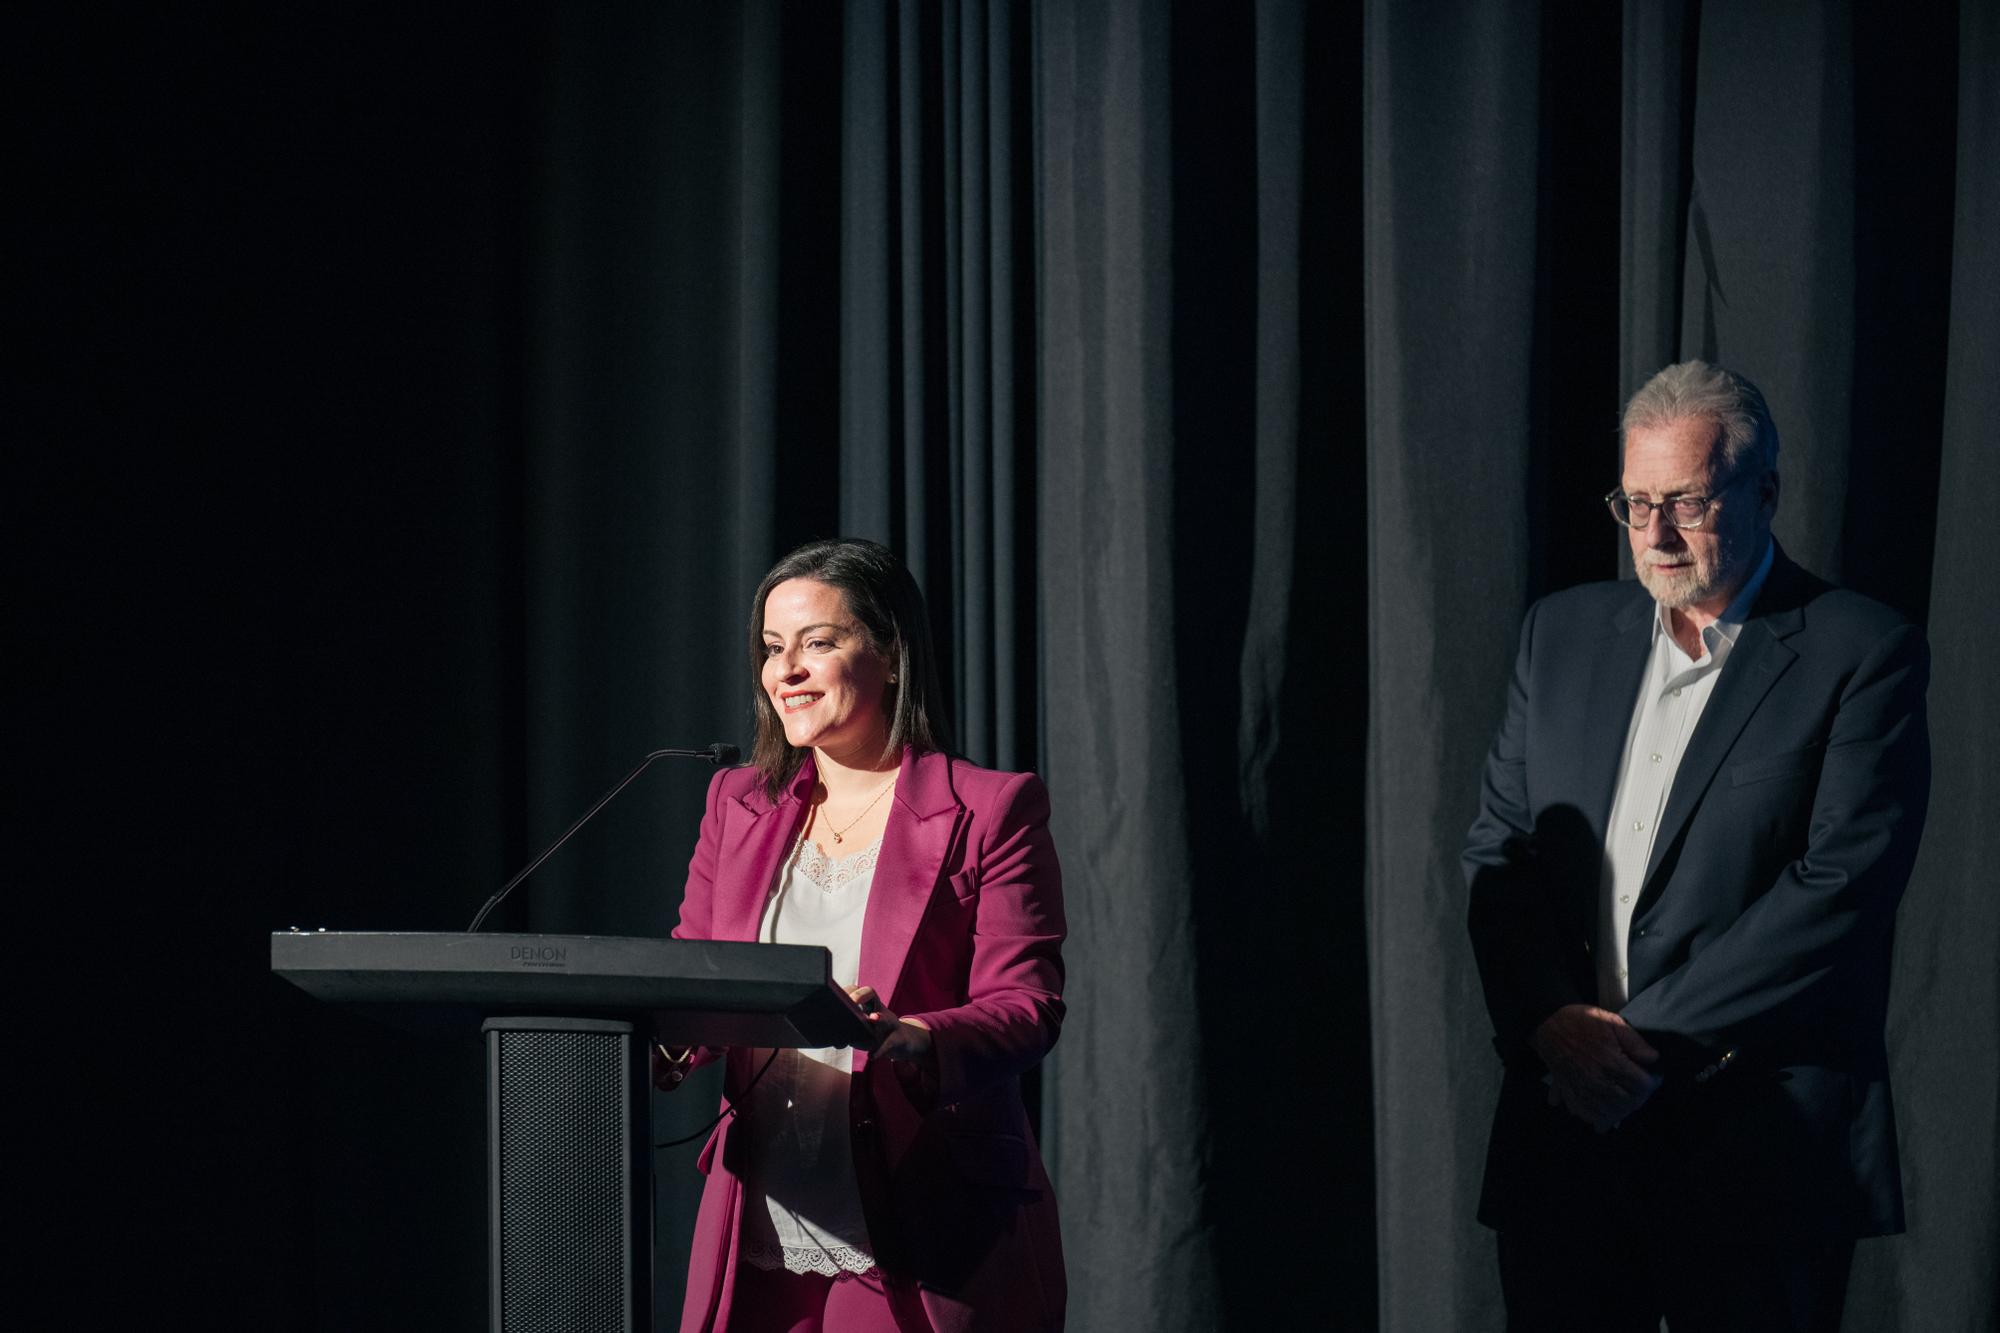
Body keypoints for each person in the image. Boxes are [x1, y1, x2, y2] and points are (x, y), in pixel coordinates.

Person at [1463, 362, 1931, 1331]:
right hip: (1564, 1139)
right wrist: (1553, 1024)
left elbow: (1838, 887)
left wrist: (1620, 1052)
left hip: (1754, 1147)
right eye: (1634, 504)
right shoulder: (1558, 634)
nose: (1655, 534)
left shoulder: (1860, 650)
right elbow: (1500, 855)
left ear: (1764, 493)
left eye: (1684, 502)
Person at [660, 537, 1067, 1333]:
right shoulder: (737, 804)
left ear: (890, 653)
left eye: (817, 642)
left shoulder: (990, 809)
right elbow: (694, 975)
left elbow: (1028, 1005)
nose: (786, 671)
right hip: (763, 1205)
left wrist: (912, 1035)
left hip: (922, 1215)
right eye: (772, 647)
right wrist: (662, 1040)